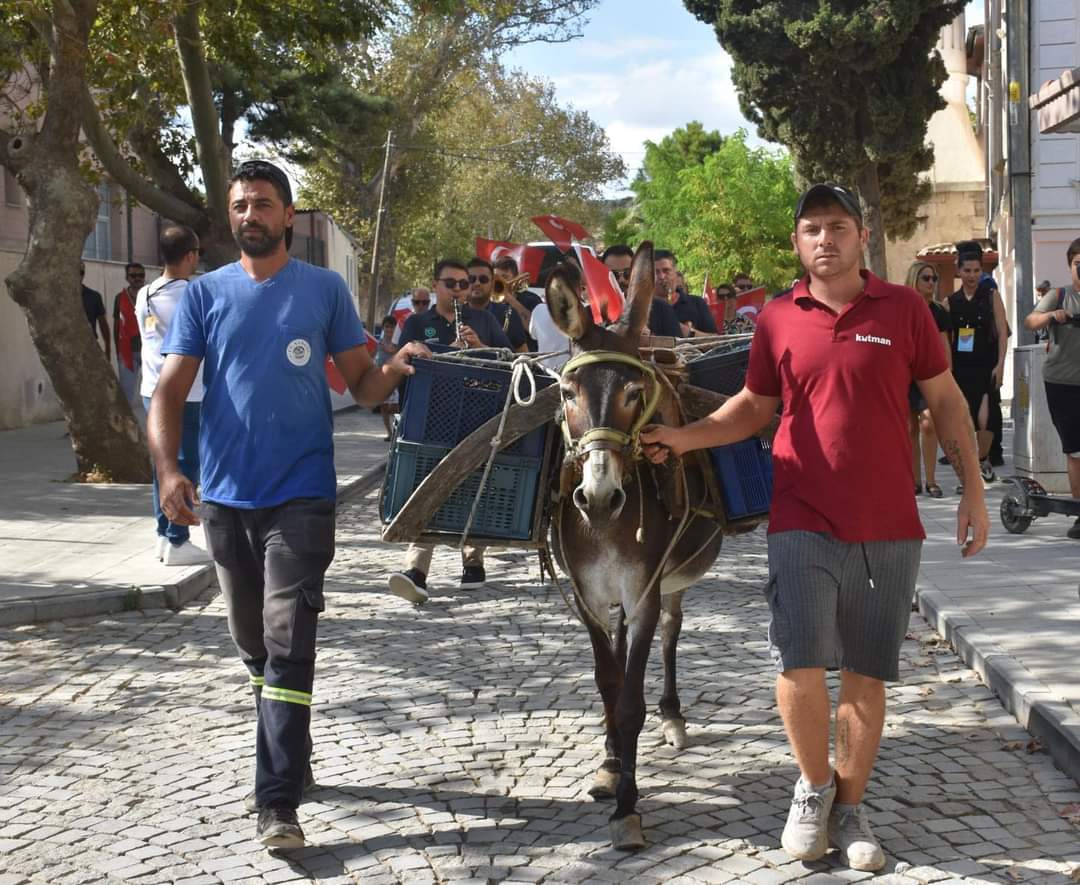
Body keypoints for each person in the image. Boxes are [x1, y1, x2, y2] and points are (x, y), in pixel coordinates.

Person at [641, 183, 988, 873]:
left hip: (889, 520)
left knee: (866, 669)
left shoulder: (905, 309)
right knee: (797, 660)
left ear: (861, 236)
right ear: (797, 243)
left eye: (837, 226)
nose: (824, 239)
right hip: (800, 513)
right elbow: (752, 407)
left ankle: (852, 808)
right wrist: (682, 438)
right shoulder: (777, 318)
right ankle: (814, 788)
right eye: (811, 229)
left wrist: (973, 490)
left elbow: (945, 401)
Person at [148, 159, 427, 850]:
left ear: (289, 215)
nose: (250, 215)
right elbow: (168, 392)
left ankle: (276, 801)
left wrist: (392, 370)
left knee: (287, 643)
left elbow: (361, 384)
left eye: (263, 204)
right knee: (253, 643)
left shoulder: (324, 290)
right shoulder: (204, 296)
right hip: (226, 498)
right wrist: (165, 472)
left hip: (303, 494)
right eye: (241, 205)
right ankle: (290, 750)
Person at [386, 259, 511, 605]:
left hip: (475, 415)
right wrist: (443, 355)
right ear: (436, 284)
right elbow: (401, 363)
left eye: (464, 284)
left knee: (474, 482)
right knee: (427, 485)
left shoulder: (483, 318)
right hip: (430, 417)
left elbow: (509, 361)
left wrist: (479, 346)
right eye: (451, 284)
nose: (460, 290)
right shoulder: (416, 322)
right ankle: (416, 570)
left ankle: (473, 561)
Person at [136, 225, 210, 566]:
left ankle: (164, 536)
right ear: (191, 255)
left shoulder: (145, 293)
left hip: (152, 389)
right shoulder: (193, 294)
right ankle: (179, 538)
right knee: (185, 465)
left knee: (161, 466)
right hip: (187, 391)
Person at [1023, 236, 1080, 539]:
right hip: (1063, 382)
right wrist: (1051, 316)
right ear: (1070, 265)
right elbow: (1030, 321)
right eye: (1078, 264)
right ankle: (1078, 512)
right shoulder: (1059, 294)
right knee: (1075, 450)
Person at [947, 242, 1008, 488]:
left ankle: (981, 462)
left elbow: (1003, 333)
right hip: (961, 369)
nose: (972, 276)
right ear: (959, 272)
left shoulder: (991, 296)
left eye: (976, 271)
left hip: (987, 366)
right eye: (967, 271)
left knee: (986, 420)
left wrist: (1001, 364)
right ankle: (971, 473)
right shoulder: (951, 302)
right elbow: (947, 341)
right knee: (965, 421)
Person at [904, 261, 952, 498]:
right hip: (903, 375)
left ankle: (932, 480)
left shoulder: (939, 311)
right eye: (926, 278)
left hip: (930, 375)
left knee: (929, 424)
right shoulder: (900, 308)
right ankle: (914, 481)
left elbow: (945, 345)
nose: (931, 283)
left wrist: (948, 374)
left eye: (934, 278)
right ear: (915, 279)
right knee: (910, 427)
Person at [602, 244, 682, 337]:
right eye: (613, 275)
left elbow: (678, 348)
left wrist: (649, 339)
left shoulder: (660, 308)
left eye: (627, 273)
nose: (621, 280)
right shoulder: (591, 314)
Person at [467, 256, 528, 352]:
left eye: (483, 279)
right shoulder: (454, 313)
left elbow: (523, 356)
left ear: (492, 283)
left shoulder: (509, 314)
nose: (477, 283)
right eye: (471, 279)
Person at [113, 263, 144, 408]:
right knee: (126, 395)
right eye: (133, 275)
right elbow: (116, 325)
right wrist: (117, 349)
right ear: (127, 277)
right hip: (127, 352)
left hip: (149, 351)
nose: (137, 278)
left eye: (141, 275)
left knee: (156, 392)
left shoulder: (151, 295)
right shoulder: (120, 298)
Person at [494, 255, 541, 349]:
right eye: (497, 278)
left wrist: (510, 299)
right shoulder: (492, 300)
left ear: (516, 277)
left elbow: (534, 330)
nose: (500, 282)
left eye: (505, 277)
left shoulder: (531, 299)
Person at [665, 256, 718, 337]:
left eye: (679, 288)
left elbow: (715, 340)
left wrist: (688, 332)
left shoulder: (697, 303)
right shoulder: (648, 307)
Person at [375, 315, 399, 441]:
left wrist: (389, 349)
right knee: (384, 407)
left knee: (395, 407)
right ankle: (389, 433)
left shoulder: (397, 341)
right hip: (382, 377)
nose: (389, 330)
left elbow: (395, 351)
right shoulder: (379, 342)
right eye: (387, 327)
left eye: (391, 327)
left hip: (394, 377)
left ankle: (397, 432)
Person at [81, 264, 110, 360]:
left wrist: (108, 348)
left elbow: (103, 323)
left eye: (81, 273)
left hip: (89, 344)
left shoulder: (94, 296)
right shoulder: (61, 298)